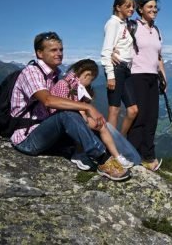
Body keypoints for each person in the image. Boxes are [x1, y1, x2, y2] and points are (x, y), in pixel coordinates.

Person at [11, 31, 130, 181]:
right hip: (27, 139)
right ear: (39, 53)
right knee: (67, 114)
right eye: (53, 50)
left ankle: (102, 154)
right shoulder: (31, 72)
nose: (59, 53)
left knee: (84, 120)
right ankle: (102, 159)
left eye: (61, 49)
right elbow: (48, 100)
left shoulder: (55, 74)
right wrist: (87, 107)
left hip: (46, 132)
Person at [49, 59, 139, 170]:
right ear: (87, 75)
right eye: (91, 80)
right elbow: (61, 110)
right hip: (62, 123)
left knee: (101, 124)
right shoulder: (63, 85)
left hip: (74, 118)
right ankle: (79, 154)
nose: (90, 83)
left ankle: (116, 156)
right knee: (83, 124)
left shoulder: (76, 86)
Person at [124, 0, 167, 171]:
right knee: (140, 118)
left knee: (152, 118)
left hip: (152, 77)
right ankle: (133, 155)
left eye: (155, 7)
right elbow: (119, 45)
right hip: (136, 75)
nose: (154, 10)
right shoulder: (132, 26)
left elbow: (158, 56)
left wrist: (163, 77)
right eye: (149, 7)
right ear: (140, 9)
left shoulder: (156, 30)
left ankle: (148, 157)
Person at [101, 0, 139, 135]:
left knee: (133, 110)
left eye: (133, 6)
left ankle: (120, 141)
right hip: (116, 69)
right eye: (127, 6)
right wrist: (110, 75)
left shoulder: (124, 24)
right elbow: (106, 51)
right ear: (118, 7)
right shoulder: (113, 23)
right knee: (114, 109)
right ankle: (110, 149)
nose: (131, 9)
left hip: (125, 69)